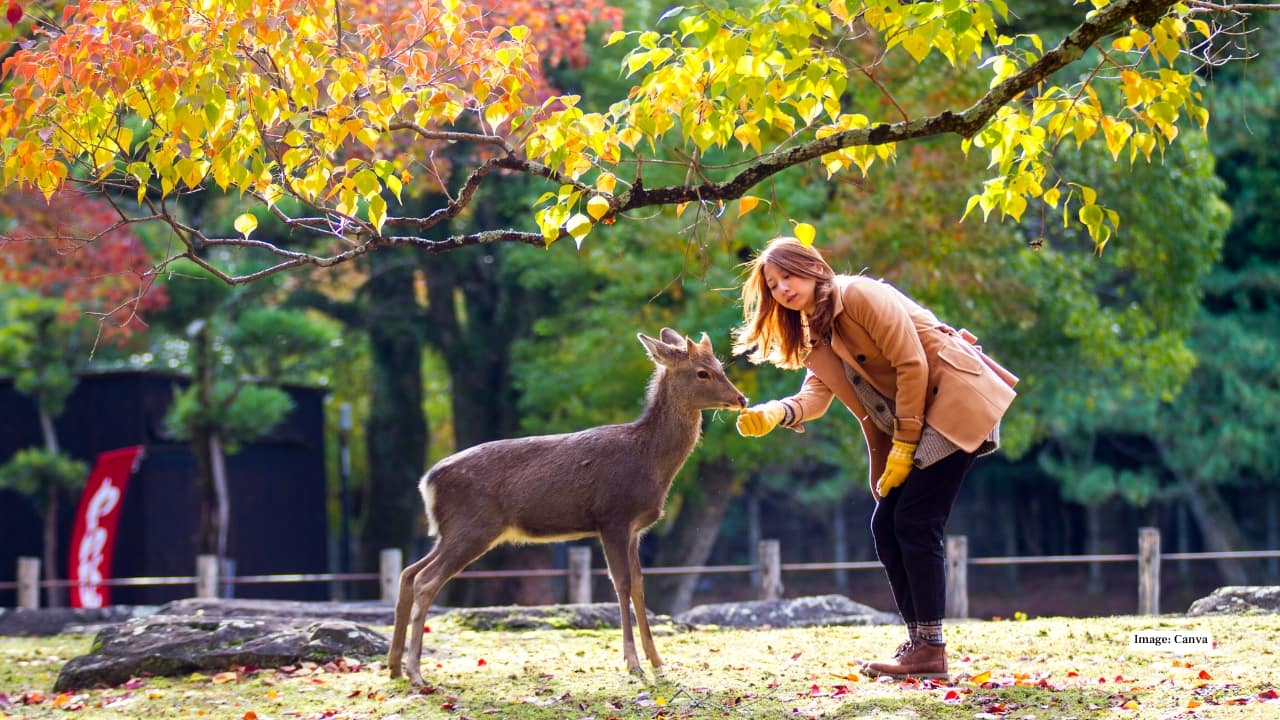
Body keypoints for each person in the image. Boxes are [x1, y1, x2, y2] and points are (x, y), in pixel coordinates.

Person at [732, 236, 1018, 680]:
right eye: (772, 285)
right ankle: (921, 645)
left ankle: (930, 649)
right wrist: (778, 412)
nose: (782, 288)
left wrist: (904, 445)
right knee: (886, 526)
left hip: (953, 400)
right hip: (917, 418)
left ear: (812, 267)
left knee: (915, 523)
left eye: (787, 275)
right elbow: (818, 393)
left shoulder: (857, 295)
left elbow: (912, 365)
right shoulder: (816, 329)